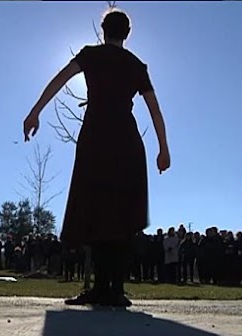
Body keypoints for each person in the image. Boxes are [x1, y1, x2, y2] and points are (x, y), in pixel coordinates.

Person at [23, 9, 170, 307]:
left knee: (95, 207)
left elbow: (60, 79)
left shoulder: (91, 55)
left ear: (103, 31)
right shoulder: (136, 65)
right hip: (126, 141)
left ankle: (106, 287)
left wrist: (35, 111)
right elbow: (154, 108)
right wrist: (163, 147)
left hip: (96, 138)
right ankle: (112, 287)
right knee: (120, 211)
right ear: (127, 34)